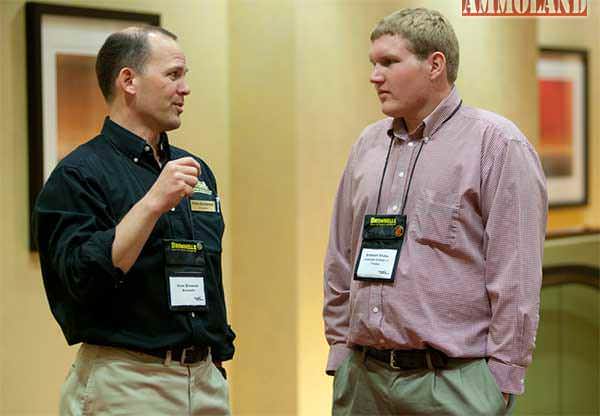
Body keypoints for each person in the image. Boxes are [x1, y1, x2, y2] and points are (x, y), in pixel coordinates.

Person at [323, 8, 547, 416]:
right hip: (362, 382)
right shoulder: (367, 146)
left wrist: (499, 381)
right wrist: (340, 352)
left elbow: (516, 277)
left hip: (453, 385)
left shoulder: (497, 145)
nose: (375, 76)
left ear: (435, 65)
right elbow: (340, 255)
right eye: (373, 64)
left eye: (389, 62)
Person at [33, 26, 234, 415]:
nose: (185, 88)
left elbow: (207, 273)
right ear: (129, 80)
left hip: (205, 380)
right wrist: (152, 203)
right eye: (173, 75)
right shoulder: (78, 175)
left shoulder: (195, 171)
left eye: (185, 76)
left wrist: (216, 359)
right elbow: (80, 280)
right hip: (128, 381)